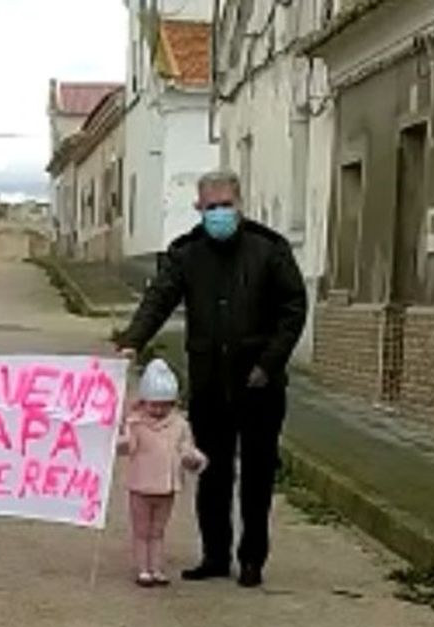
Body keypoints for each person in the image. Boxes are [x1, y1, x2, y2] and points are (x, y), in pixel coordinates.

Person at [116, 170, 307, 588]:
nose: (218, 213)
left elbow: (293, 309)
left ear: (239, 204)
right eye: (210, 207)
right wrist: (133, 339)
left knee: (257, 475)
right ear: (199, 209)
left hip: (260, 383)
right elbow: (159, 298)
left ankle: (252, 558)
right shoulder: (188, 253)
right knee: (211, 472)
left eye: (225, 205)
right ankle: (215, 556)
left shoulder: (269, 250)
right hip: (208, 382)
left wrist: (269, 363)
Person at [117, 359, 207, 587]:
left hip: (167, 487)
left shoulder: (180, 425)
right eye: (153, 405)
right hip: (140, 485)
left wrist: (193, 459)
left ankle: (156, 567)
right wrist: (122, 434)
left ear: (173, 403)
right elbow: (127, 446)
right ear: (144, 402)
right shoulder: (136, 423)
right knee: (141, 530)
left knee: (158, 530)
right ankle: (142, 568)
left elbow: (188, 448)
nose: (158, 410)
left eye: (165, 405)